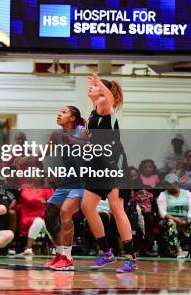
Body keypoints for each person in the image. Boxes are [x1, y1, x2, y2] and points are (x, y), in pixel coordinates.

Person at [80, 73, 137, 272]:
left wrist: (101, 85)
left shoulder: (105, 104)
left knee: (116, 208)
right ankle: (106, 252)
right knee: (87, 206)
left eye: (94, 86)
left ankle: (130, 257)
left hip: (114, 165)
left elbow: (111, 98)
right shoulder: (94, 111)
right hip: (98, 165)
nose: (90, 88)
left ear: (102, 91)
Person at [42, 106, 88, 270]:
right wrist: (28, 157)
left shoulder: (82, 130)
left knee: (65, 212)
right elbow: (45, 152)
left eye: (64, 112)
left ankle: (68, 258)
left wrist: (73, 140)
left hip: (83, 180)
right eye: (59, 111)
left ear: (73, 117)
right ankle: (60, 253)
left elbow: (91, 148)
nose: (59, 114)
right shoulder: (56, 134)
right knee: (49, 214)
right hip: (67, 180)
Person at [156, 173, 191, 258]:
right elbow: (162, 213)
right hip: (169, 218)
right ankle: (178, 251)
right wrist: (176, 220)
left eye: (171, 183)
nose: (169, 186)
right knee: (170, 223)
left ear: (177, 183)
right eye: (167, 183)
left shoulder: (187, 193)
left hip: (185, 219)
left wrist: (188, 220)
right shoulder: (163, 195)